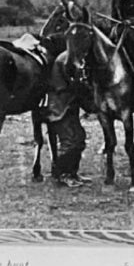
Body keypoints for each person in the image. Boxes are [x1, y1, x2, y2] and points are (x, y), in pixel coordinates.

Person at [41, 47, 90, 186]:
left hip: (68, 106)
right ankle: (62, 175)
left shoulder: (70, 58)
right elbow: (63, 87)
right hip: (60, 107)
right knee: (69, 141)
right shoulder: (64, 60)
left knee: (79, 138)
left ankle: (72, 173)